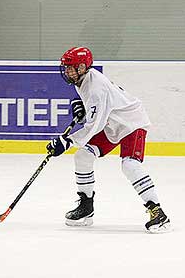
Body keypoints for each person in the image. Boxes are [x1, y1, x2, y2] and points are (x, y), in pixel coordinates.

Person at [46, 47, 171, 233]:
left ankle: (157, 211)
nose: (67, 71)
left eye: (71, 68)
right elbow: (95, 112)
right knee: (83, 157)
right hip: (111, 124)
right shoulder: (81, 78)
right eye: (66, 67)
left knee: (130, 164)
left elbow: (93, 126)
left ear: (82, 67)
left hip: (131, 123)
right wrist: (80, 105)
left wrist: (67, 141)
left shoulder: (97, 88)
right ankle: (86, 208)